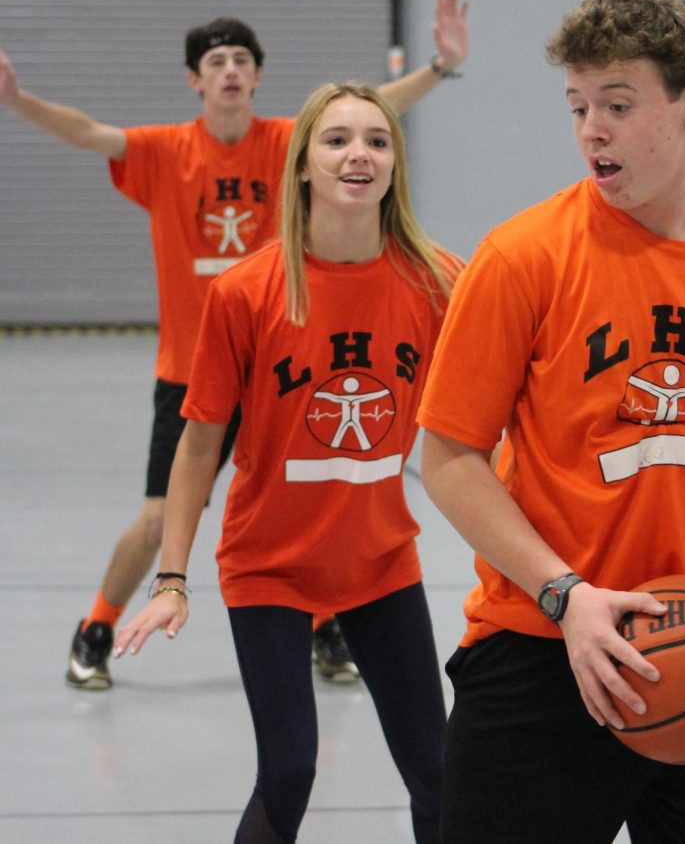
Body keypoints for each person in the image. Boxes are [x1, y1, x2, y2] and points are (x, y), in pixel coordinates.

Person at [417, 0, 685, 844]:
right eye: (578, 105)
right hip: (545, 648)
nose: (591, 130)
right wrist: (563, 594)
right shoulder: (523, 258)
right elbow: (448, 457)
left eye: (616, 104)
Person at [0, 0, 468, 690]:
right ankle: (96, 626)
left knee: (313, 494)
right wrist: (18, 101)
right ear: (195, 78)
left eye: (241, 60)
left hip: (287, 365)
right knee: (161, 516)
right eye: (215, 61)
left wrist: (439, 66)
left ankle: (324, 626)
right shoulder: (163, 152)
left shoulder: (288, 142)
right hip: (193, 370)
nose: (228, 71)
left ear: (255, 75)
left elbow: (378, 113)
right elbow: (86, 131)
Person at [112, 80, 461, 843]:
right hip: (269, 563)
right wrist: (172, 579)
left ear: (395, 163)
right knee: (292, 768)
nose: (358, 154)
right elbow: (199, 442)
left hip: (379, 561)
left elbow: (477, 433)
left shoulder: (438, 283)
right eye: (336, 140)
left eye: (376, 139)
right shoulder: (248, 292)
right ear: (302, 165)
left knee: (438, 770)